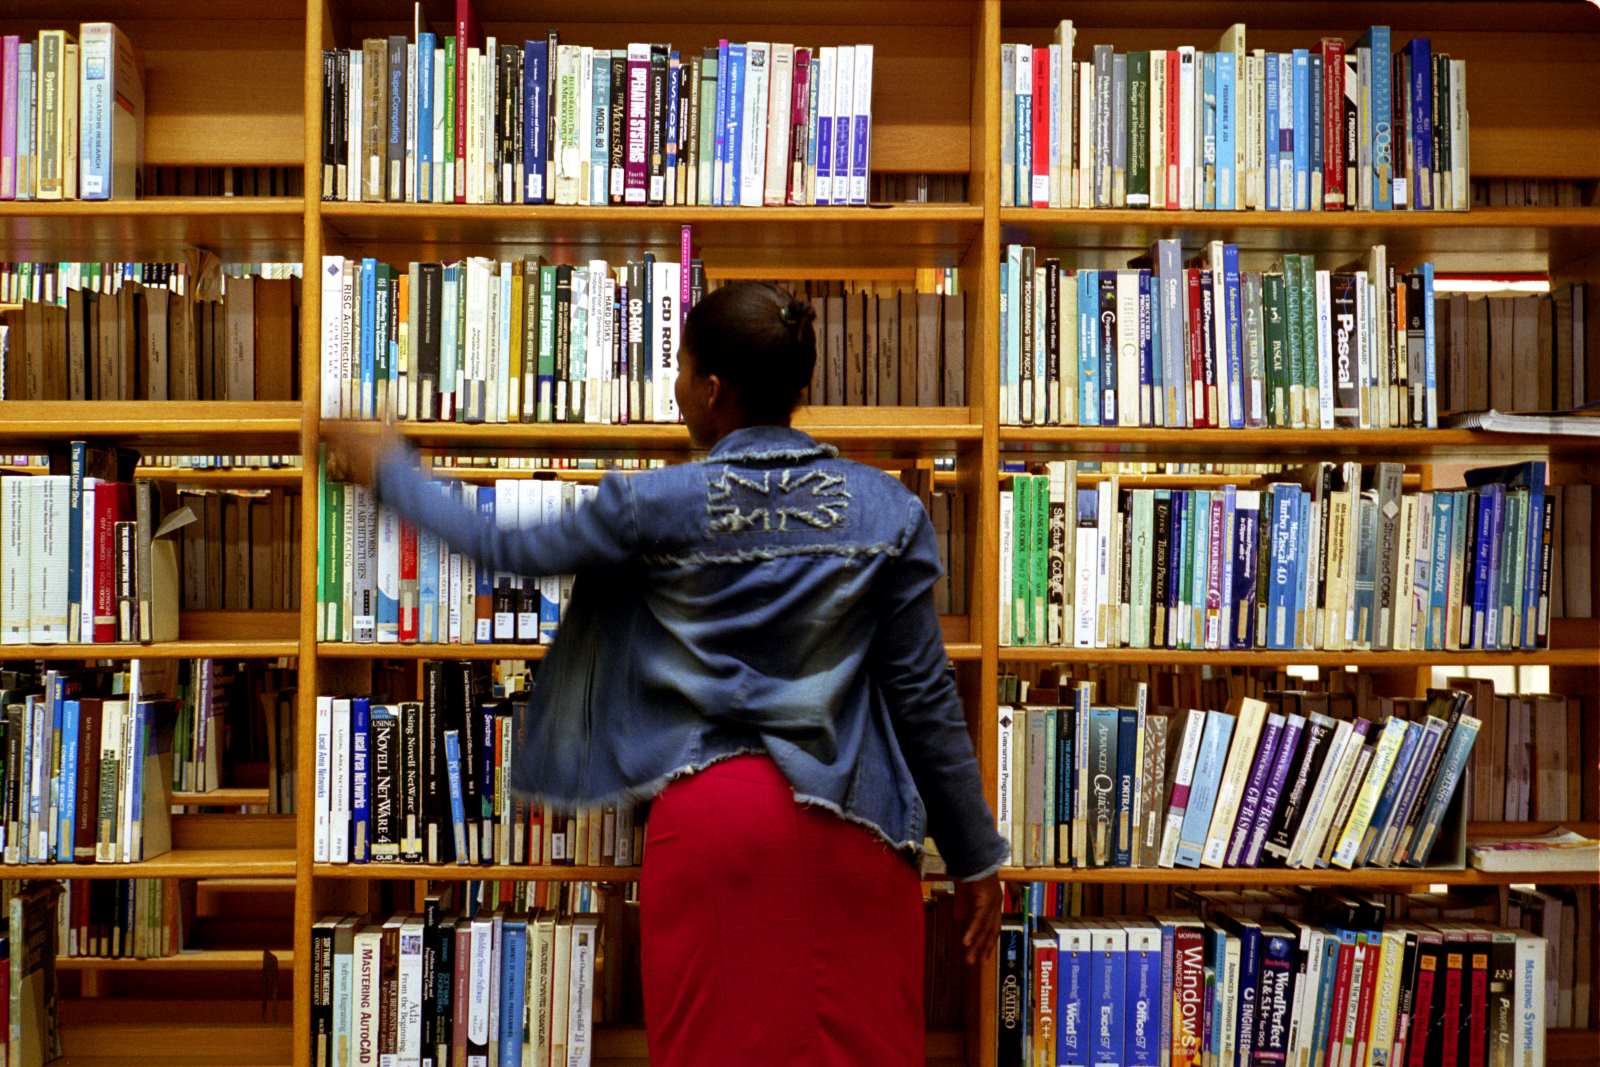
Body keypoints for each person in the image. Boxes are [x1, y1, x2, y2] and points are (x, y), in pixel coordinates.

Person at [327, 281, 1007, 1067]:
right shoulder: (888, 510)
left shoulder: (656, 503)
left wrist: (393, 472)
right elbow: (923, 699)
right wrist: (975, 855)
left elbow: (507, 544)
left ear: (711, 391)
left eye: (681, 369)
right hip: (858, 826)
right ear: (800, 389)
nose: (677, 387)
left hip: (714, 827)